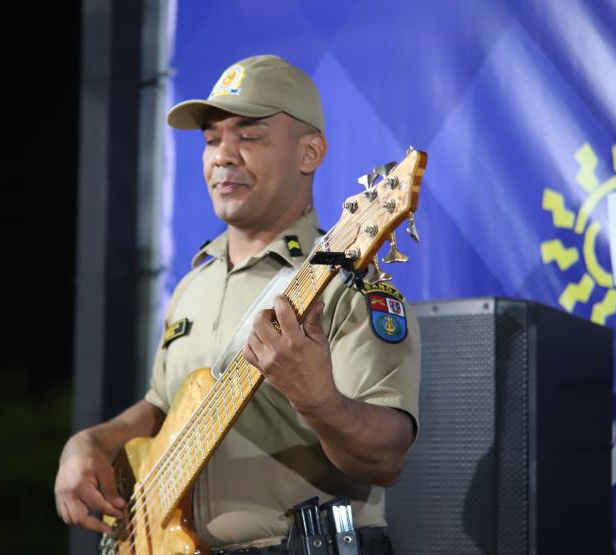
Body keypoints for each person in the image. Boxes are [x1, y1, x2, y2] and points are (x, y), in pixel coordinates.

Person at [55, 54, 420, 554]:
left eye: (249, 136)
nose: (222, 156)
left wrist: (318, 401)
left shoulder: (348, 286)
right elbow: (163, 407)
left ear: (309, 152)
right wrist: (92, 442)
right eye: (211, 140)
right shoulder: (193, 286)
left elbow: (387, 458)